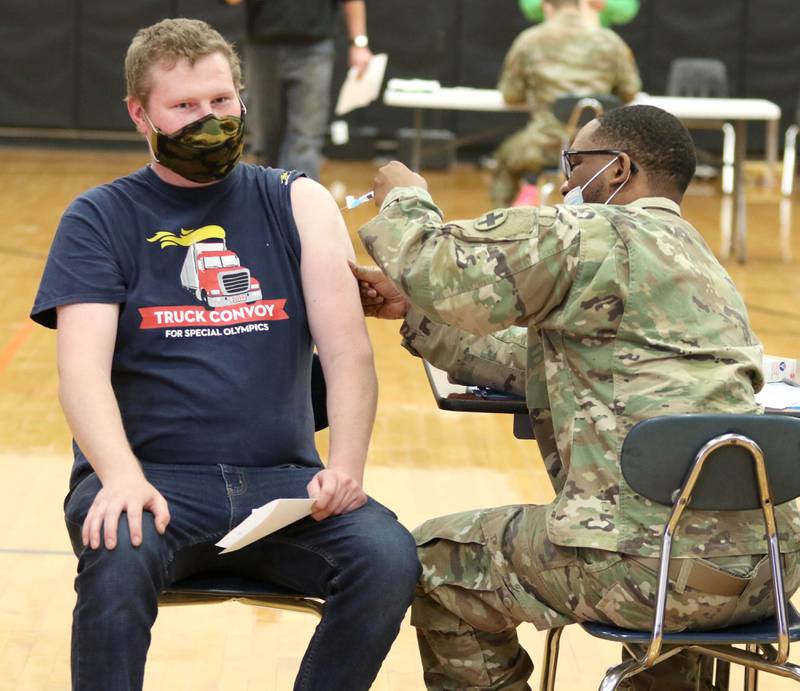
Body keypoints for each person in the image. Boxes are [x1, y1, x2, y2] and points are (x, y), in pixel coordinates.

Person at [351, 105, 800, 690]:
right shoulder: (700, 262)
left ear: (616, 170)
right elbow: (535, 364)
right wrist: (414, 311)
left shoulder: (591, 233)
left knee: (438, 563)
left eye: (574, 163)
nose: (565, 181)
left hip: (647, 572)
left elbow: (444, 273)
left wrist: (403, 198)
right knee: (662, 548)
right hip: (766, 570)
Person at [30, 18, 418, 691]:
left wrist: (345, 468)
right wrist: (119, 475)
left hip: (282, 484)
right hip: (151, 479)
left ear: (242, 96)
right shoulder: (98, 216)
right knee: (116, 544)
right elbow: (80, 372)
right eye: (183, 107)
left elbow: (350, 353)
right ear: (139, 113)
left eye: (221, 101)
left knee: (388, 556)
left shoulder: (300, 202)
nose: (208, 119)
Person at [493, 0, 641, 206]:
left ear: (546, 6)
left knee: (505, 159)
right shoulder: (610, 40)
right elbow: (629, 90)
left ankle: (504, 226)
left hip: (544, 146)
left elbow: (511, 94)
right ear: (583, 4)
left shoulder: (530, 40)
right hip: (600, 150)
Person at [224, 0, 372, 181]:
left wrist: (359, 42)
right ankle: (266, 199)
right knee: (265, 137)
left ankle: (298, 202)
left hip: (313, 48)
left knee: (305, 138)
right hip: (262, 46)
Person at [519, 0, 640, 27]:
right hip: (551, 46)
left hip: (596, 49)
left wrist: (604, 3)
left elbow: (627, 10)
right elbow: (529, 8)